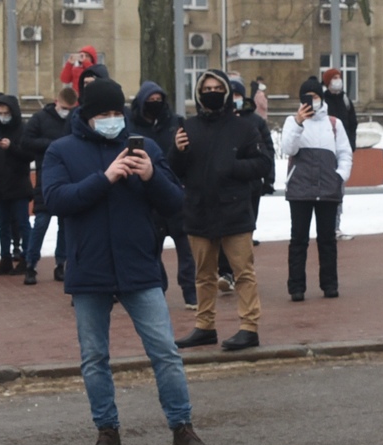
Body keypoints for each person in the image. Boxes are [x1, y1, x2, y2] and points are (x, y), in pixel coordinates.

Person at [39, 76, 210, 445]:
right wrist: (105, 178)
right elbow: (55, 199)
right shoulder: (61, 150)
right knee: (95, 357)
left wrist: (150, 176)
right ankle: (107, 431)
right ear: (87, 115)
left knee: (165, 351)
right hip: (89, 269)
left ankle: (182, 427)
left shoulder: (145, 147)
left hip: (139, 265)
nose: (113, 120)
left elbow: (175, 204)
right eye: (104, 114)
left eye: (118, 112)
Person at [171, 68, 271, 352]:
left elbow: (262, 163)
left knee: (243, 273)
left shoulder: (244, 127)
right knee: (203, 275)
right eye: (207, 89)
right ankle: (204, 327)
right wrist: (176, 151)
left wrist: (233, 167)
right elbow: (176, 171)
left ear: (227, 93)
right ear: (198, 94)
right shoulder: (187, 127)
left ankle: (249, 328)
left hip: (235, 213)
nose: (212, 94)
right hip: (199, 211)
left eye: (218, 89)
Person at [278, 77, 353, 301]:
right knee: (298, 240)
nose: (313, 101)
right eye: (308, 97)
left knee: (327, 240)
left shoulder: (334, 123)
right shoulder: (292, 121)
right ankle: (296, 287)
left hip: (328, 190)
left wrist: (339, 176)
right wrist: (299, 123)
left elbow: (345, 153)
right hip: (300, 190)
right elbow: (288, 149)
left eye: (316, 96)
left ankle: (329, 285)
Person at [133, 80, 195, 306]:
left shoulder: (175, 123)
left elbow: (187, 155)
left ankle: (191, 292)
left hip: (176, 192)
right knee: (152, 248)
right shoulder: (133, 128)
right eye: (150, 101)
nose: (155, 104)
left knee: (186, 247)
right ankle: (159, 288)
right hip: (149, 196)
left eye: (159, 100)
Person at [19, 86, 75, 286]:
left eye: (70, 108)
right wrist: (53, 144)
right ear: (56, 101)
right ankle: (31, 264)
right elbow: (26, 141)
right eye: (64, 107)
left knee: (64, 225)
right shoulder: (40, 118)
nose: (66, 111)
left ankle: (61, 264)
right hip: (46, 176)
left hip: (69, 177)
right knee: (41, 222)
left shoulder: (75, 119)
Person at [0, 93, 36, 275]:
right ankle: (5, 259)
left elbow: (28, 156)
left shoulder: (23, 131)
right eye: (0, 112)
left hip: (18, 186)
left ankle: (27, 258)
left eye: (6, 112)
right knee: (2, 224)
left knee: (22, 224)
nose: (3, 116)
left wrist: (11, 147)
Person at [317, 66, 359, 145]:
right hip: (327, 145)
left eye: (339, 77)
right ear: (328, 81)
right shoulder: (322, 101)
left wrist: (351, 142)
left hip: (344, 144)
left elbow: (353, 123)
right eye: (335, 78)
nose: (338, 80)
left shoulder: (345, 100)